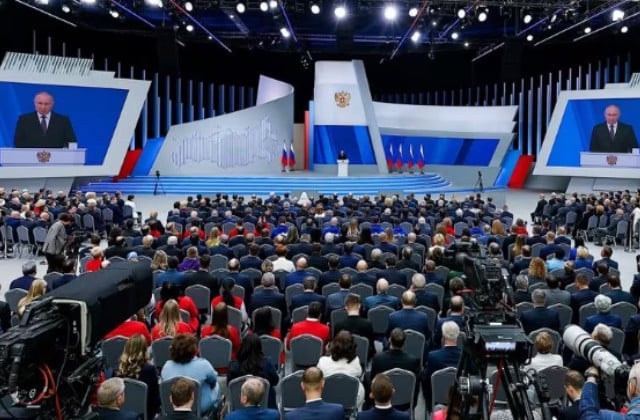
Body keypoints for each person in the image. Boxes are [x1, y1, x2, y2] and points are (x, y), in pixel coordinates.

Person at [160, 334, 221, 414]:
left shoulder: (166, 366)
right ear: (194, 350)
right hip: (199, 408)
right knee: (217, 385)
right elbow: (213, 381)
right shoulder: (204, 364)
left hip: (173, 406)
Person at [228, 334, 280, 409]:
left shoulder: (233, 365)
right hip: (265, 406)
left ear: (242, 347)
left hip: (239, 406)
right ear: (259, 347)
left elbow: (230, 386)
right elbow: (275, 381)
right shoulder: (267, 363)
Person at [317, 330, 364, 410]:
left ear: (333, 344)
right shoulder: (355, 361)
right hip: (351, 399)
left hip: (327, 398)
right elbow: (359, 374)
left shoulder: (322, 361)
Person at [116, 335, 160, 417]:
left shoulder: (118, 369)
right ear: (144, 350)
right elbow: (155, 399)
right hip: (145, 414)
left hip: (122, 415)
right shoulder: (150, 369)